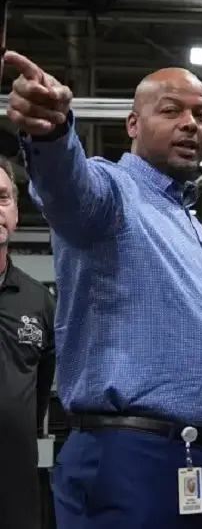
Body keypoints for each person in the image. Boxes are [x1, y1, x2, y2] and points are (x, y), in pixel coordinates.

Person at [3, 50, 202, 529]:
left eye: (201, 115)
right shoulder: (112, 195)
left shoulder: (198, 236)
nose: (190, 123)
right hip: (128, 462)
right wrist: (52, 133)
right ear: (133, 124)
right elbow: (68, 186)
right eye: (171, 110)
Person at [0, 155, 57, 529]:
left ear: (16, 214)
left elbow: (40, 392)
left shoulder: (39, 301)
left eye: (3, 197)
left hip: (16, 493)